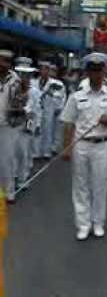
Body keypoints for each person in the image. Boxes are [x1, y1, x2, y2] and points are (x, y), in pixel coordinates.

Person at [60, 52, 107, 241]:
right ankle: (83, 224)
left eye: (99, 70)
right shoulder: (76, 96)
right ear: (87, 72)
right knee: (80, 186)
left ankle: (98, 222)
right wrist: (66, 148)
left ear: (105, 71)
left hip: (103, 145)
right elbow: (68, 123)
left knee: (100, 184)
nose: (96, 74)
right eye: (92, 70)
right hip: (81, 145)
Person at [12, 58, 41, 194]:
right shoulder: (11, 88)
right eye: (21, 74)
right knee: (11, 153)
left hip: (25, 127)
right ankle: (12, 178)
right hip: (11, 126)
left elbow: (35, 111)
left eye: (26, 74)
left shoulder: (34, 91)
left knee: (23, 153)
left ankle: (22, 179)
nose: (24, 77)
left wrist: (31, 127)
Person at [32, 61, 65, 159]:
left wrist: (51, 95)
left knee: (48, 130)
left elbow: (60, 96)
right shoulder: (33, 82)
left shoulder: (57, 83)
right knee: (36, 130)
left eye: (46, 69)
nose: (44, 71)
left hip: (49, 109)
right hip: (36, 111)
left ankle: (46, 151)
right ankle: (35, 152)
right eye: (42, 69)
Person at [0, 50, 20, 203]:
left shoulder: (16, 80)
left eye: (6, 61)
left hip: (8, 125)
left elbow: (20, 104)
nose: (2, 64)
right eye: (1, 60)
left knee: (8, 159)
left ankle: (9, 192)